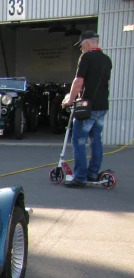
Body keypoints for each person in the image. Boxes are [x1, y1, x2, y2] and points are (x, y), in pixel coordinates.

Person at [62, 30, 113, 187]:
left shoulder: (86, 57)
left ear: (87, 43)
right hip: (102, 106)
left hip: (87, 107)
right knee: (96, 140)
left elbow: (79, 81)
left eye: (81, 45)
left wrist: (69, 100)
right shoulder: (106, 59)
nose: (80, 49)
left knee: (79, 140)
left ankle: (80, 176)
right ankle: (92, 173)